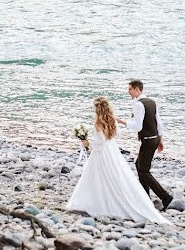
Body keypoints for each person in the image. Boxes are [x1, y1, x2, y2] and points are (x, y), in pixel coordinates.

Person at [66, 96, 169, 223]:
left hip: (101, 154)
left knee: (98, 177)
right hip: (113, 151)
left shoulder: (98, 123)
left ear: (97, 109)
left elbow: (99, 144)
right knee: (116, 176)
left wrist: (86, 142)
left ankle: (99, 202)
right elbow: (113, 136)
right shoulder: (113, 120)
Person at [117, 80, 175, 211]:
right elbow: (158, 122)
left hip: (148, 140)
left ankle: (165, 197)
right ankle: (144, 197)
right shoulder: (152, 102)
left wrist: (123, 122)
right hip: (153, 139)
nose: (128, 92)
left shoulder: (138, 104)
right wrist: (161, 139)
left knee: (144, 170)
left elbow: (138, 126)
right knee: (139, 165)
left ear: (137, 89)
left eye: (130, 89)